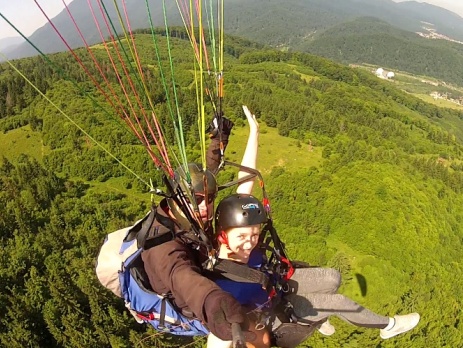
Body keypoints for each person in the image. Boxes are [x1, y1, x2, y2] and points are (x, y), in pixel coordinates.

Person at [139, 106, 260, 342]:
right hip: (191, 303)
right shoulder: (161, 245)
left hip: (205, 265)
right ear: (179, 199)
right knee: (238, 322)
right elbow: (182, 277)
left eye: (209, 200)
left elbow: (212, 174)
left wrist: (220, 140)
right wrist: (213, 301)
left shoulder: (190, 209)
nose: (205, 208)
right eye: (197, 201)